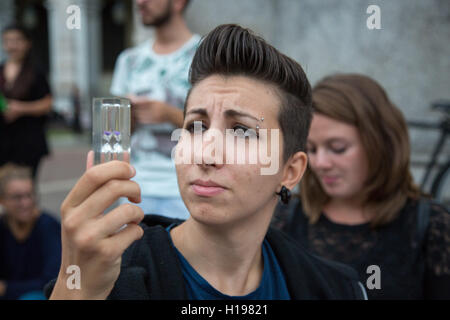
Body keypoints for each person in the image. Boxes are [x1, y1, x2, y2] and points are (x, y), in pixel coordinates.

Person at [46, 24, 366, 300]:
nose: (206, 154)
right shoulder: (113, 275)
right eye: (194, 127)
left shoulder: (335, 289)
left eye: (241, 131)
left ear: (290, 171)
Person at [272, 73, 450, 299]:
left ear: (379, 143)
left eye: (337, 148)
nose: (320, 163)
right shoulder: (284, 220)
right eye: (312, 149)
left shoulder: (431, 227)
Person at [110, 0, 200, 219]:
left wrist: (169, 114)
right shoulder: (129, 60)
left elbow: (222, 129)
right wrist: (125, 117)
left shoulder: (205, 55)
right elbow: (115, 134)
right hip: (135, 188)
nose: (140, 2)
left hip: (187, 188)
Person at [0, 164, 61, 300]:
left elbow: (53, 281)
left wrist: (7, 289)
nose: (26, 203)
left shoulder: (48, 226)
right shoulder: (2, 227)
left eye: (30, 195)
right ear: (2, 200)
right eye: (17, 197)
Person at [0, 24, 52, 180]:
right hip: (2, 138)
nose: (12, 46)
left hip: (27, 139)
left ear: (27, 43)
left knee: (25, 184)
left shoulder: (36, 71)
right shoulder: (1, 69)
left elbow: (47, 103)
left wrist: (20, 108)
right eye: (8, 41)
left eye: (17, 40)